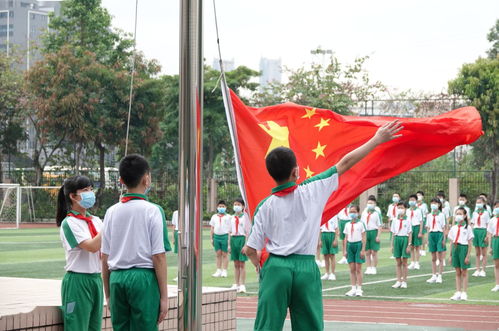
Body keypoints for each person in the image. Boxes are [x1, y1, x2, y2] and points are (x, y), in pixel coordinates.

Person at [243, 121, 403, 331]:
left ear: (271, 174)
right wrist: (377, 139)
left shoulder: (264, 206)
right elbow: (345, 163)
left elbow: (249, 250)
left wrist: (260, 266)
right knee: (310, 325)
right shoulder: (312, 190)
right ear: (296, 171)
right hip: (306, 268)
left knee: (266, 326)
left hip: (276, 269)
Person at [101, 154, 170, 330]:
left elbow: (104, 256)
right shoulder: (153, 211)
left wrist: (108, 294)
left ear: (121, 180)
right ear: (146, 179)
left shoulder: (111, 212)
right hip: (143, 279)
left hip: (116, 279)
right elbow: (159, 256)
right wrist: (164, 297)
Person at [56, 176, 103, 331]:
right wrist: (110, 224)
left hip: (96, 279)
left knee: (94, 327)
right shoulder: (69, 223)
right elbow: (91, 246)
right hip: (78, 281)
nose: (90, 193)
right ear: (72, 196)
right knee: (77, 327)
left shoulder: (96, 220)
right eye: (85, 190)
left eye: (90, 189)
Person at [448, 207, 473, 301]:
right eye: (457, 214)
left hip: (463, 248)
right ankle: (458, 291)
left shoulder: (468, 228)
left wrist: (467, 256)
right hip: (455, 248)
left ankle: (464, 292)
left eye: (460, 214)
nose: (458, 216)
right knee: (457, 272)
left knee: (464, 271)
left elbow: (470, 243)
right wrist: (450, 255)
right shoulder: (453, 228)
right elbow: (451, 242)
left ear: (465, 215)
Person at [343, 205, 366, 296]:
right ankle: (353, 288)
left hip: (358, 245)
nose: (352, 213)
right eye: (351, 212)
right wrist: (345, 250)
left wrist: (363, 250)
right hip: (350, 245)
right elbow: (345, 238)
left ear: (358, 213)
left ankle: (359, 288)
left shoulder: (360, 224)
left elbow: (364, 237)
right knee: (352, 269)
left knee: (358, 268)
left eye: (354, 212)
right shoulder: (347, 224)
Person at [229, 198, 251, 293]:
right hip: (234, 239)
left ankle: (242, 285)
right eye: (235, 204)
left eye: (238, 204)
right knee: (236, 264)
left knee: (242, 264)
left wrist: (246, 244)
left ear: (242, 206)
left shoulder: (245, 217)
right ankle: (236, 283)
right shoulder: (232, 218)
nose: (236, 206)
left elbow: (248, 232)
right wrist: (229, 245)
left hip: (242, 239)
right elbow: (229, 231)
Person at [390, 201, 412, 289]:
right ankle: (398, 280)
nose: (400, 209)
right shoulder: (395, 220)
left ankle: (404, 281)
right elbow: (393, 233)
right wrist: (392, 245)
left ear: (405, 209)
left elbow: (410, 233)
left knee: (405, 262)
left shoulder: (408, 220)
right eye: (398, 208)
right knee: (398, 261)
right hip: (397, 239)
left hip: (405, 239)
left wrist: (409, 245)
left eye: (402, 208)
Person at [426, 198, 447, 284]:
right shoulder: (429, 215)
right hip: (432, 234)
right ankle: (434, 275)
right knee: (433, 257)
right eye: (432, 203)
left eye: (435, 203)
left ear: (439, 205)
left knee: (440, 256)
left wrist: (444, 239)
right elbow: (428, 227)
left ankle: (440, 275)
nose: (433, 205)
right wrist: (427, 239)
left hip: (439, 234)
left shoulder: (441, 215)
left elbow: (444, 227)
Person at [210, 200, 231, 278]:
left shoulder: (228, 217)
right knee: (218, 254)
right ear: (217, 207)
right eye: (220, 206)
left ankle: (224, 270)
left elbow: (230, 229)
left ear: (225, 207)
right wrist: (211, 238)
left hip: (225, 236)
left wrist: (229, 240)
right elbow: (212, 228)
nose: (221, 208)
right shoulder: (214, 216)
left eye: (223, 206)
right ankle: (218, 270)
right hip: (216, 237)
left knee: (225, 254)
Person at [471, 196, 491, 277]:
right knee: (477, 252)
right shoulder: (474, 213)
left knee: (484, 252)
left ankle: (483, 270)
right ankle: (477, 269)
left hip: (483, 231)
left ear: (483, 203)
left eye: (480, 202)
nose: (478, 204)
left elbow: (488, 225)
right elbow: (472, 223)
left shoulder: (486, 213)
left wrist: (487, 235)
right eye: (477, 202)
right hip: (476, 231)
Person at [361, 197, 382, 275]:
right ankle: (368, 267)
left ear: (375, 204)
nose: (370, 204)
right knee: (367, 252)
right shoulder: (364, 212)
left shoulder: (377, 213)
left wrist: (378, 236)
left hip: (374, 232)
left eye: (371, 203)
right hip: (366, 232)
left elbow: (380, 225)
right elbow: (362, 223)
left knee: (374, 252)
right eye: (369, 203)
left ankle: (374, 267)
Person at [319, 215, 339, 281]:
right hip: (324, 234)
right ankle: (327, 273)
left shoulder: (334, 215)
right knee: (325, 255)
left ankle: (332, 273)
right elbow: (320, 228)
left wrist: (335, 239)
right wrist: (320, 240)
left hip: (331, 234)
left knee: (332, 255)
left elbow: (336, 228)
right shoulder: (322, 214)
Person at [407, 194, 423, 270]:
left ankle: (417, 262)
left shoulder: (418, 210)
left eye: (413, 200)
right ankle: (412, 262)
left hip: (416, 227)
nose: (411, 201)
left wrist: (420, 232)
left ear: (416, 201)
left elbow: (421, 221)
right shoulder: (407, 210)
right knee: (411, 246)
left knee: (417, 246)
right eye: (410, 200)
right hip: (410, 228)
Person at [487, 201, 499, 292]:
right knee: (496, 263)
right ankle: (497, 284)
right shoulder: (492, 220)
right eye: (496, 207)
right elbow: (490, 233)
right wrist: (490, 246)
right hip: (495, 240)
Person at [387, 193, 401, 259]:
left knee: (398, 236)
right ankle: (393, 252)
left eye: (396, 196)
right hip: (393, 221)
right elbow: (389, 217)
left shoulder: (400, 206)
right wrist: (389, 226)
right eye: (394, 196)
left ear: (399, 198)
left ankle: (399, 252)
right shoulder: (390, 206)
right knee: (392, 238)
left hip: (398, 221)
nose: (395, 197)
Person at [416, 191, 429, 256]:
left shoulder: (424, 205)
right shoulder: (415, 204)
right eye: (417, 195)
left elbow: (426, 214)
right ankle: (419, 249)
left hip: (423, 220)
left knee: (422, 236)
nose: (418, 196)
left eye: (420, 195)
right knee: (417, 236)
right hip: (416, 221)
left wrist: (427, 223)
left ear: (422, 196)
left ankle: (423, 249)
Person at [171, 210, 179, 282]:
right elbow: (174, 225)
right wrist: (173, 237)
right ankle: (178, 275)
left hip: (185, 232)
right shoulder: (175, 213)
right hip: (177, 232)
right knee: (179, 256)